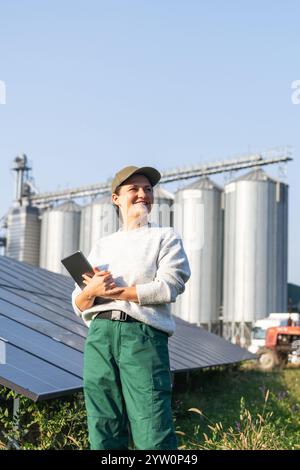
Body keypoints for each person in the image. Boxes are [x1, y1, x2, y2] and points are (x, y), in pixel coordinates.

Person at [71, 165, 191, 450]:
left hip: (142, 335)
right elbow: (78, 302)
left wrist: (116, 292)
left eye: (148, 190)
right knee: (102, 422)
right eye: (134, 189)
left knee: (152, 424)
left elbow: (168, 287)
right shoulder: (102, 245)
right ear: (116, 198)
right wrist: (92, 291)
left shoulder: (165, 236)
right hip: (99, 335)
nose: (143, 195)